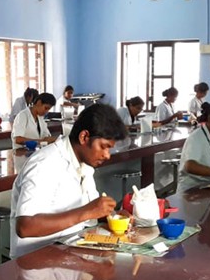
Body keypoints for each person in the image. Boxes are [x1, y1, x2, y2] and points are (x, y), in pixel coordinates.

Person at [10, 103, 127, 258]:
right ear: (84, 137)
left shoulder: (83, 164)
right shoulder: (45, 163)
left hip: (68, 254)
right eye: (104, 147)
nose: (107, 155)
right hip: (36, 264)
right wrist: (87, 212)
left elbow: (90, 210)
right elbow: (26, 227)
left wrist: (113, 216)